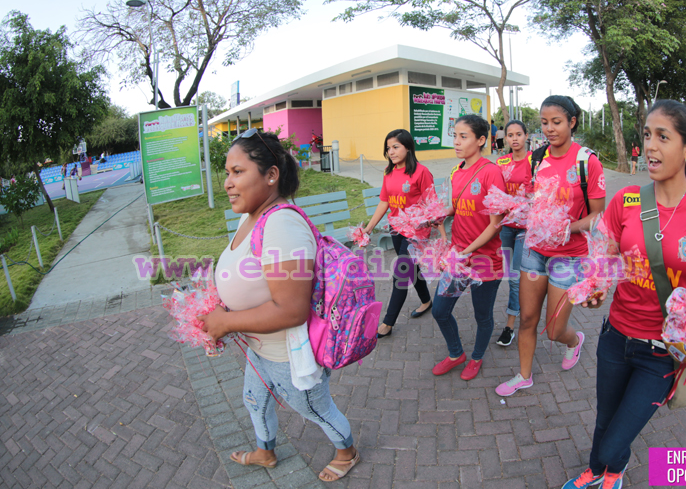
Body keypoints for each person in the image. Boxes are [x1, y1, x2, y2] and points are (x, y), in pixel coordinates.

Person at [562, 100, 686, 489]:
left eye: (663, 137)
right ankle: (600, 474)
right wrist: (596, 288)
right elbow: (605, 255)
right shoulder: (627, 201)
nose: (650, 146)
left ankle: (610, 465)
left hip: (662, 352)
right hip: (615, 337)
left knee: (615, 439)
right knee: (605, 418)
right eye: (647, 136)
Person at [199, 130, 359, 483]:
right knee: (254, 399)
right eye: (226, 172)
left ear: (271, 175)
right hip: (259, 347)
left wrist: (226, 323)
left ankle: (347, 451)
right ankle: (266, 451)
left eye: (237, 172)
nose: (227, 182)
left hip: (287, 354)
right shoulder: (251, 216)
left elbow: (291, 310)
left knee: (314, 408)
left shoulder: (282, 225)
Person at [496, 95, 605, 397]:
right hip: (534, 251)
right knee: (528, 318)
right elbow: (534, 202)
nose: (549, 129)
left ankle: (574, 341)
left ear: (571, 122)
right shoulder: (537, 158)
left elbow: (598, 215)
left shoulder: (587, 162)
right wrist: (516, 209)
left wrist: (566, 228)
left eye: (556, 122)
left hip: (569, 256)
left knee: (555, 328)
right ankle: (523, 375)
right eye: (544, 123)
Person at [431, 114, 506, 381]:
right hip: (458, 257)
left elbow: (495, 223)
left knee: (482, 316)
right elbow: (457, 206)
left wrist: (467, 251)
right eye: (455, 136)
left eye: (464, 137)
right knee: (440, 310)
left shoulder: (491, 172)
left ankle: (475, 358)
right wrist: (439, 214)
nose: (457, 142)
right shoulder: (456, 171)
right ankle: (456, 354)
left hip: (485, 259)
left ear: (481, 139)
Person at [364, 129, 440, 338]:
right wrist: (369, 228)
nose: (391, 152)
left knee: (401, 272)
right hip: (396, 229)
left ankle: (388, 323)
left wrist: (438, 231)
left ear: (408, 147)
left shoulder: (421, 172)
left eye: (396, 147)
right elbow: (385, 201)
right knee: (411, 269)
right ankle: (426, 300)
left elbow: (432, 205)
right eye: (388, 148)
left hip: (416, 232)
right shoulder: (389, 172)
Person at [493, 120, 531, 347]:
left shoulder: (536, 161)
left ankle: (510, 326)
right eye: (510, 135)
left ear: (526, 136)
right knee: (511, 276)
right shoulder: (501, 162)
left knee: (515, 278)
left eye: (518, 134)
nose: (514, 139)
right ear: (505, 138)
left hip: (527, 228)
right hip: (506, 226)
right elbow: (496, 192)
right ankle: (523, 309)